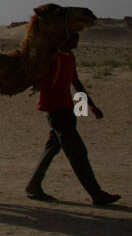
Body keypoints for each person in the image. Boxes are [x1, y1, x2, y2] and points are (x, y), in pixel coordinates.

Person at [25, 33, 120, 205]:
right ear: (64, 39)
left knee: (52, 147)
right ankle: (96, 194)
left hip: (67, 108)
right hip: (55, 110)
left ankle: (33, 186)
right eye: (73, 41)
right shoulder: (51, 57)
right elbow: (35, 74)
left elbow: (76, 82)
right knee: (77, 152)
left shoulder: (70, 57)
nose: (75, 45)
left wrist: (89, 106)